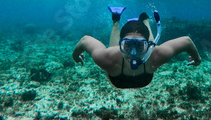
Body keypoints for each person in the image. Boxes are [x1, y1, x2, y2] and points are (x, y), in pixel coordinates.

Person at [72, 7, 202, 89]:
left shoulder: (155, 54)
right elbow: (85, 40)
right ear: (120, 44)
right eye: (127, 45)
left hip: (141, 51)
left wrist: (198, 59)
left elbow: (187, 41)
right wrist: (196, 59)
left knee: (151, 45)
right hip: (118, 55)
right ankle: (116, 19)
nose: (133, 53)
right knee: (113, 50)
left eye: (140, 46)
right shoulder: (107, 58)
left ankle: (144, 21)